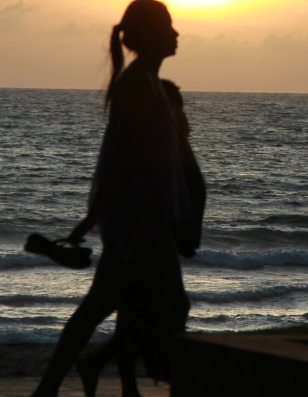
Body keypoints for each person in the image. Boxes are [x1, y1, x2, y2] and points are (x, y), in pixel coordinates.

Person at [30, 0, 191, 397]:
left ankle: (47, 389)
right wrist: (96, 215)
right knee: (168, 307)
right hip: (138, 221)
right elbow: (120, 157)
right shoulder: (138, 84)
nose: (176, 34)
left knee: (105, 305)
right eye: (168, 27)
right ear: (149, 35)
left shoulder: (147, 81)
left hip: (142, 218)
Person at [75, 79, 207, 397]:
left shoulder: (173, 133)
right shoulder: (160, 137)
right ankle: (125, 381)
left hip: (168, 229)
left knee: (135, 313)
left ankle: (108, 373)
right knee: (144, 311)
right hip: (153, 231)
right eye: (174, 107)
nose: (179, 113)